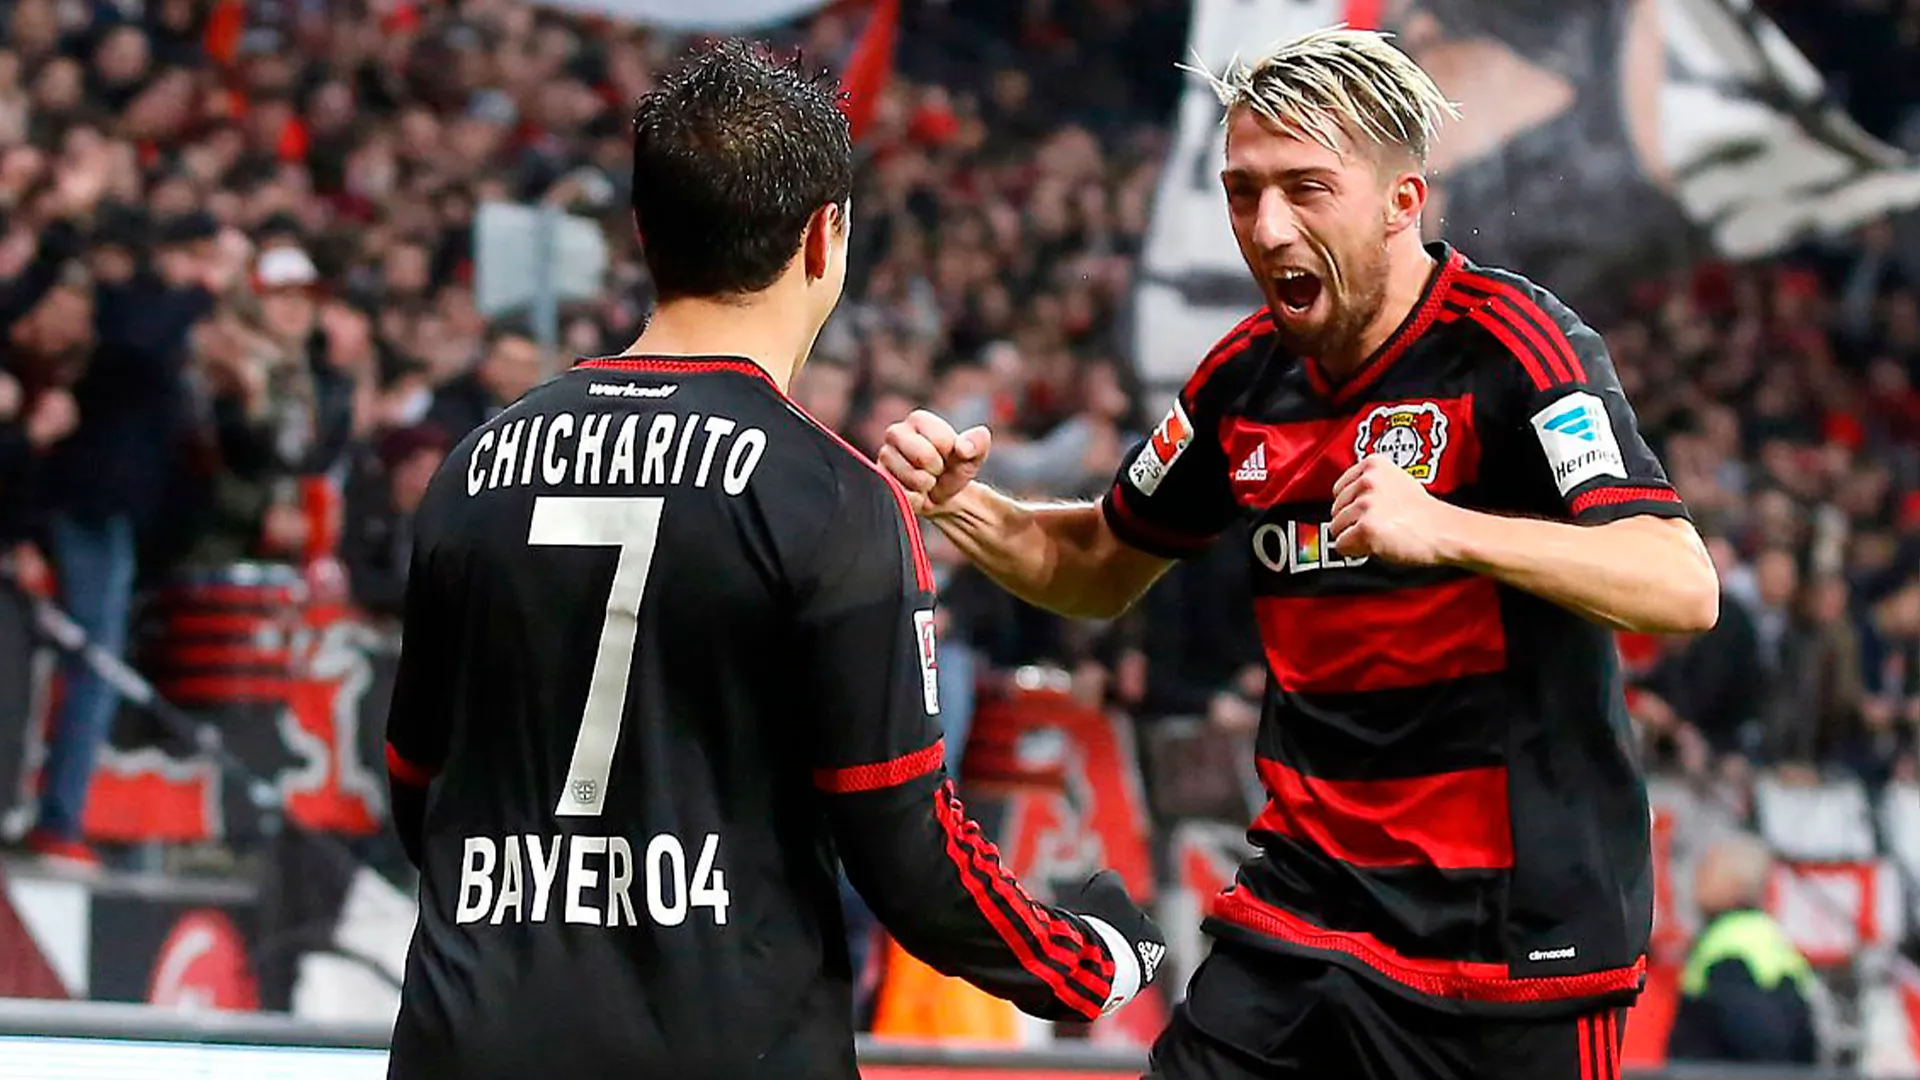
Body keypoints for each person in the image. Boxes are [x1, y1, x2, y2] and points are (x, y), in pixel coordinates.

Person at [881, 28, 1718, 1080]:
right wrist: (967, 507)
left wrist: (1449, 529)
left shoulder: (1516, 347)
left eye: (1306, 188)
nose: (1266, 227)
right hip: (1304, 911)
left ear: (1402, 202)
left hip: (1509, 939)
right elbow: (1096, 562)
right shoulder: (1240, 383)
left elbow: (1679, 583)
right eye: (1243, 191)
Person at [382, 41, 1163, 1080]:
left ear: (644, 232)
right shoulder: (832, 499)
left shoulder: (473, 466)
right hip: (722, 1041)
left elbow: (414, 784)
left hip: (466, 1042)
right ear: (823, 238)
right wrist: (1096, 958)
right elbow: (910, 855)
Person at [1665, 833, 1818, 1064]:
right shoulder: (1772, 938)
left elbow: (1758, 1038)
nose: (1696, 881)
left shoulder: (1728, 947)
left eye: (1707, 870)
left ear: (1731, 883)